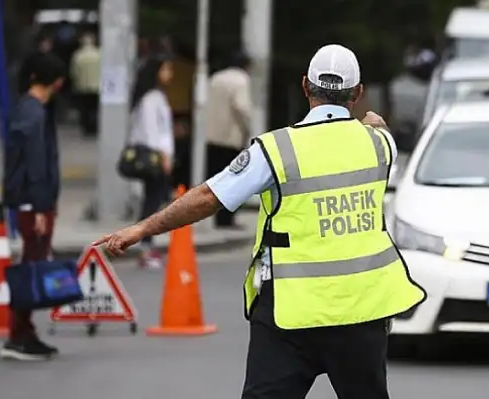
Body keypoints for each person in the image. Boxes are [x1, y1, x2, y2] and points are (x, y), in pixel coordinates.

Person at [94, 44, 426, 398]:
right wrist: (370, 122)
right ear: (358, 93)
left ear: (304, 86)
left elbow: (209, 197)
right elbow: (374, 126)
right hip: (362, 312)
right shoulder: (380, 145)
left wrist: (142, 228)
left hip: (290, 313)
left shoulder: (276, 150)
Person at [1, 53, 66, 361]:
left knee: (33, 264)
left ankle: (24, 332)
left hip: (31, 200)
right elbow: (35, 164)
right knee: (31, 267)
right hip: (33, 202)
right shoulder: (34, 113)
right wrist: (41, 207)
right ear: (56, 80)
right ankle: (18, 336)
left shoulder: (29, 109)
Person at [127, 57, 176, 269]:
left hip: (159, 156)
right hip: (154, 157)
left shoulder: (156, 96)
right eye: (166, 68)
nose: (170, 74)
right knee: (152, 202)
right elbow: (151, 132)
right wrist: (163, 156)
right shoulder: (150, 98)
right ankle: (145, 245)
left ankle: (147, 244)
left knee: (154, 200)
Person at [205, 50, 253, 229]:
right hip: (231, 137)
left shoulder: (215, 78)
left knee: (216, 179)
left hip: (211, 136)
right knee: (234, 179)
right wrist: (248, 128)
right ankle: (227, 219)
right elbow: (241, 107)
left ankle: (218, 218)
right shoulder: (241, 80)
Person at [70, 32, 101, 137]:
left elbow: (74, 72)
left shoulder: (78, 56)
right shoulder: (99, 54)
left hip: (82, 87)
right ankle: (95, 127)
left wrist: (76, 83)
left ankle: (86, 128)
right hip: (97, 86)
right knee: (95, 108)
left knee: (85, 109)